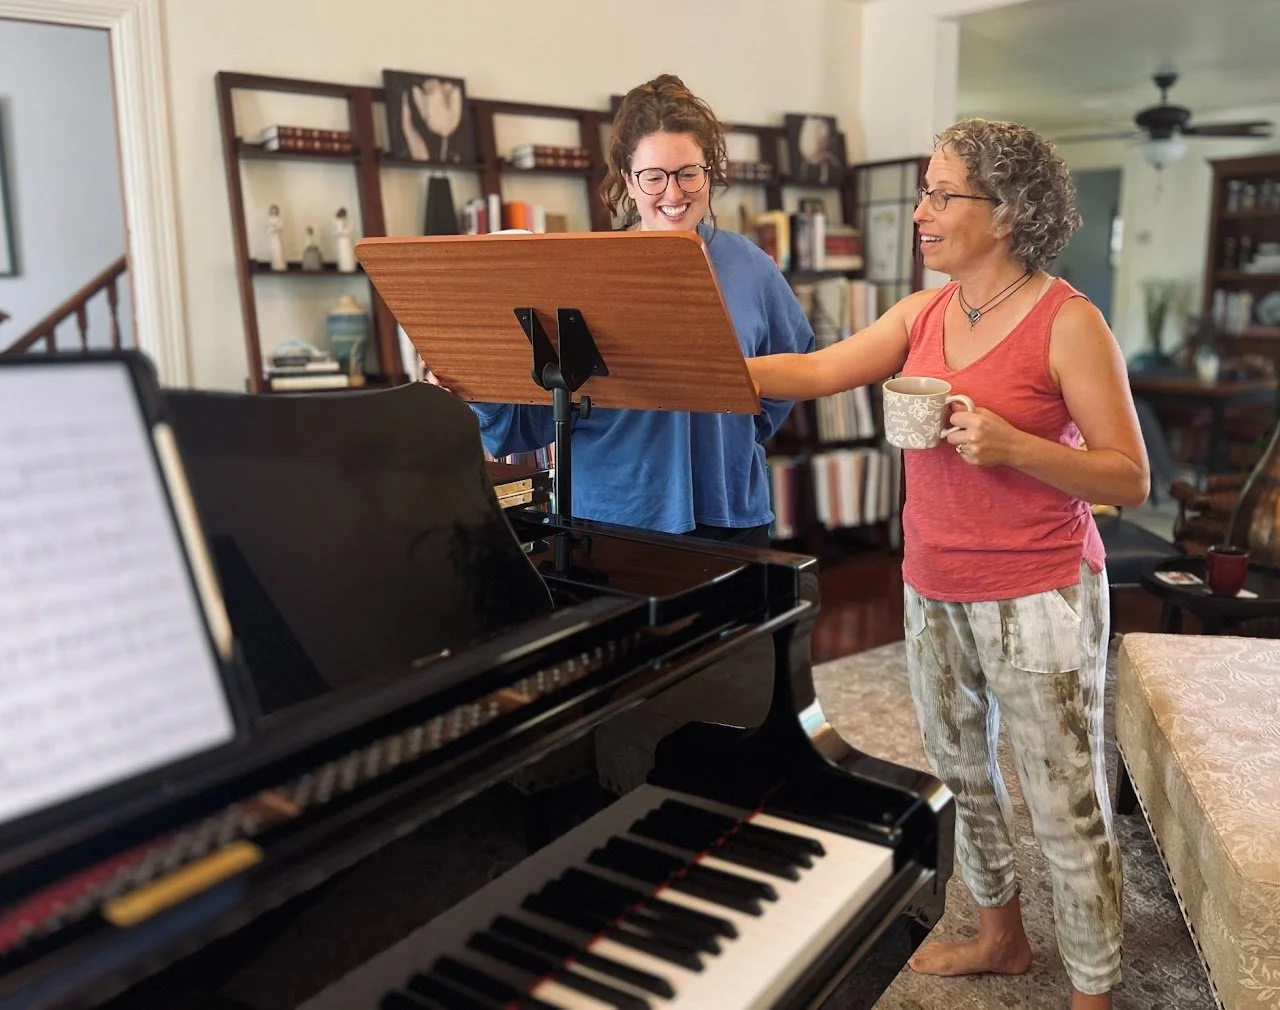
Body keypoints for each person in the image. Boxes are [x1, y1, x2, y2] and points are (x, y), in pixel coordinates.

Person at [748, 118, 1149, 1010]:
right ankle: (1001, 938)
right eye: (925, 192)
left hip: (1040, 589)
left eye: (941, 194)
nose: (922, 212)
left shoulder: (1069, 322)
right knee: (961, 771)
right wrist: (700, 369)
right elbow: (815, 373)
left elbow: (1128, 472)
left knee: (1062, 800)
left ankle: (1095, 992)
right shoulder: (923, 313)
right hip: (931, 581)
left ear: (1003, 212)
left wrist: (1014, 446)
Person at [466, 74, 815, 548]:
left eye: (689, 172)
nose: (673, 193)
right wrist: (471, 380)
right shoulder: (586, 271)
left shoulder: (752, 266)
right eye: (653, 176)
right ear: (629, 181)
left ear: (709, 172)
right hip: (612, 514)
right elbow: (530, 411)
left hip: (730, 512)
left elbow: (794, 363)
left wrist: (738, 426)